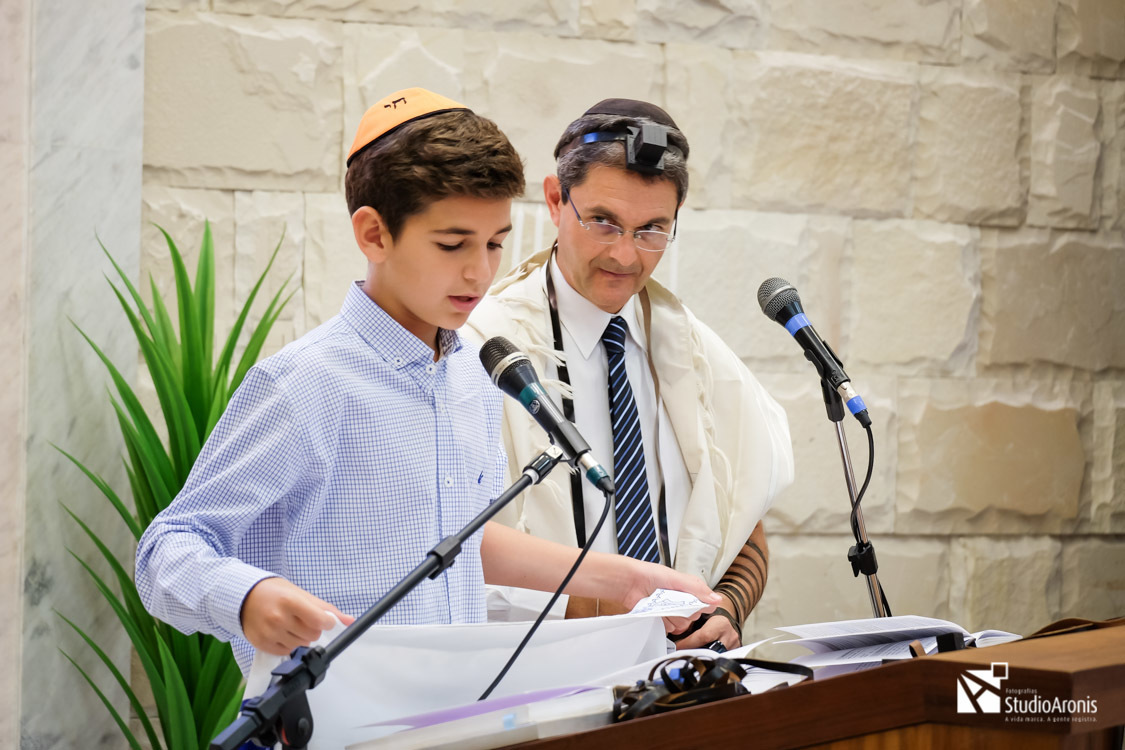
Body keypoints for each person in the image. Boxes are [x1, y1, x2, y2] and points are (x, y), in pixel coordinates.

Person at [135, 88, 719, 675]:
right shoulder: (304, 382)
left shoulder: (472, 372)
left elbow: (464, 539)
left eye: (495, 243)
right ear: (373, 235)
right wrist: (246, 597)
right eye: (452, 244)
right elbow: (168, 548)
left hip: (452, 713)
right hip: (334, 723)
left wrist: (628, 579)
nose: (479, 271)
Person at [465, 98, 794, 650]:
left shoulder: (693, 349)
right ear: (554, 200)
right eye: (603, 222)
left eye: (652, 230)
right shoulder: (483, 349)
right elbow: (453, 554)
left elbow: (741, 519)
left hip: (678, 684)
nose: (625, 255)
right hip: (536, 689)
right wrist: (614, 606)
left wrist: (727, 609)